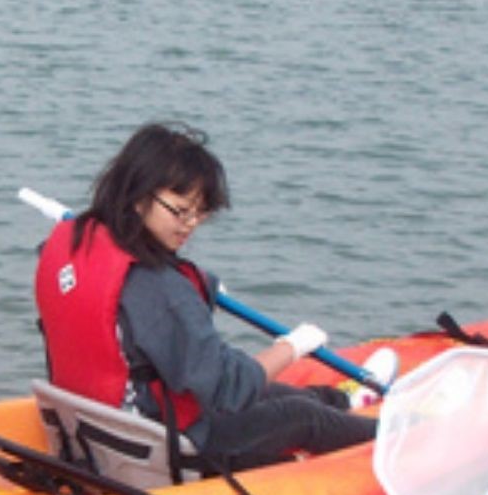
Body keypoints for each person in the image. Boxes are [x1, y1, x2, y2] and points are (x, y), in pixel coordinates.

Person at [34, 122, 391, 476]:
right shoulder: (165, 293)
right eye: (179, 210)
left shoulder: (78, 237)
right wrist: (292, 347)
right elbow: (228, 388)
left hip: (94, 424)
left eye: (200, 213)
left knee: (274, 393)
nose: (190, 224)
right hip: (163, 444)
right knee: (300, 416)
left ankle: (347, 400)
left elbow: (133, 308)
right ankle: (403, 441)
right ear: (139, 195)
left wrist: (201, 286)